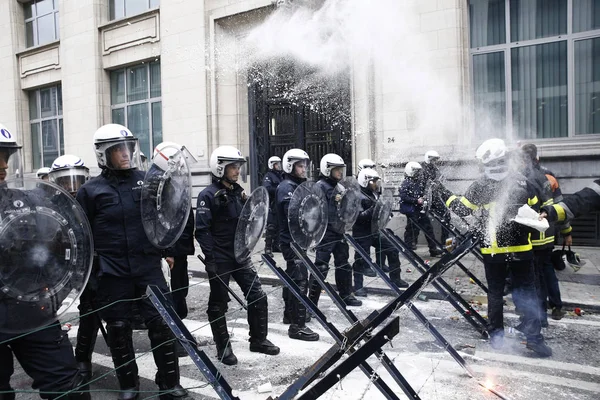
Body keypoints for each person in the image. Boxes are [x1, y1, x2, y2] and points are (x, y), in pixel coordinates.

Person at [76, 124, 188, 399]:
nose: (126, 155)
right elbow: (82, 235)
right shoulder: (91, 191)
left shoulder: (147, 180)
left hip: (147, 265)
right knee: (118, 327)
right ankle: (129, 384)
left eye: (128, 148)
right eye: (118, 150)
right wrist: (88, 275)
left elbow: (163, 215)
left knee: (162, 322)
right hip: (112, 271)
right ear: (104, 154)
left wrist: (169, 248)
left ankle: (169, 383)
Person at [435, 138, 552, 357]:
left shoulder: (482, 185)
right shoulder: (521, 180)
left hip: (494, 251)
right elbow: (538, 208)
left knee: (496, 293)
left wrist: (444, 193)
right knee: (527, 292)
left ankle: (497, 336)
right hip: (522, 250)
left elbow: (461, 209)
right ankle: (534, 339)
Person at [0, 123, 90, 399]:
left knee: (67, 386)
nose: (2, 164)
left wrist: (55, 288)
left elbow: (55, 246)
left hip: (29, 307)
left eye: (6, 155)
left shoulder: (25, 201)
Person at [195, 146, 280, 366]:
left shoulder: (238, 192)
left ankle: (258, 340)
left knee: (258, 295)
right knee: (218, 304)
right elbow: (202, 230)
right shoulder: (207, 196)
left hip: (240, 255)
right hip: (220, 257)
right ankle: (223, 348)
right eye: (233, 167)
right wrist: (210, 259)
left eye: (238, 166)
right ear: (220, 167)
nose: (237, 171)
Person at [47, 155, 100, 382]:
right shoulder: (47, 203)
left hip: (87, 264)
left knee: (91, 310)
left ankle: (82, 358)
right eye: (65, 181)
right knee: (48, 313)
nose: (71, 186)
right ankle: (52, 360)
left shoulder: (89, 200)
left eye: (76, 180)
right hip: (57, 267)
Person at [520, 144, 572, 322]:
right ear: (537, 157)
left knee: (535, 276)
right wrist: (567, 232)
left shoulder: (521, 178)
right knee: (548, 270)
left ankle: (540, 315)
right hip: (548, 233)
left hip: (531, 235)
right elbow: (560, 206)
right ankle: (557, 307)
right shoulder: (549, 176)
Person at [275, 148, 320, 341]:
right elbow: (292, 214)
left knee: (293, 278)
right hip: (291, 241)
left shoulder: (298, 185)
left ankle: (289, 315)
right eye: (300, 166)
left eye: (304, 165)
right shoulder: (286, 187)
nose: (304, 169)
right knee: (300, 280)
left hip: (299, 240)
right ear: (290, 166)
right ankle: (297, 326)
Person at [308, 153, 362, 308]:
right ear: (327, 170)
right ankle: (311, 304)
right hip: (325, 233)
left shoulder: (339, 186)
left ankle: (346, 295)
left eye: (340, 169)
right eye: (336, 169)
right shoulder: (320, 186)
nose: (340, 172)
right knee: (321, 267)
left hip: (339, 231)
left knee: (343, 264)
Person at [352, 168, 407, 297]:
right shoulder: (357, 196)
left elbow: (379, 211)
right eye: (373, 181)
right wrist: (374, 209)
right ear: (365, 181)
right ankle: (358, 286)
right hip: (362, 233)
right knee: (360, 259)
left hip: (375, 231)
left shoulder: (373, 193)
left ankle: (395, 277)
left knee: (392, 248)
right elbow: (358, 217)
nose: (376, 184)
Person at [165, 209, 195, 357]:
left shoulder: (178, 189)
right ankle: (173, 337)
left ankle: (179, 331)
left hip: (181, 251)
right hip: (171, 254)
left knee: (181, 291)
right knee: (173, 295)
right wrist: (168, 252)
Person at [399, 162, 443, 257]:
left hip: (419, 210)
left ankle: (433, 249)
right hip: (412, 211)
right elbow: (403, 196)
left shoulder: (417, 181)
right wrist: (416, 200)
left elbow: (419, 192)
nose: (418, 173)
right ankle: (408, 250)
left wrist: (423, 198)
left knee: (428, 229)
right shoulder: (406, 182)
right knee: (411, 230)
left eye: (418, 171)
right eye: (415, 171)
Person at [420, 150, 451, 245]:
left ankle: (445, 242)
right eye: (433, 160)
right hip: (426, 198)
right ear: (429, 159)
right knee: (420, 223)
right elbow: (421, 184)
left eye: (435, 160)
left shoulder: (434, 168)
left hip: (435, 197)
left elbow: (438, 181)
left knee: (446, 215)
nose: (435, 162)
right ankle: (411, 243)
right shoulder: (422, 169)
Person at [263, 156, 284, 257]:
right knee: (271, 226)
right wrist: (279, 189)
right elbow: (267, 188)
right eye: (276, 164)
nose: (279, 166)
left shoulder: (281, 176)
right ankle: (267, 248)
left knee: (280, 225)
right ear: (271, 165)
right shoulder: (269, 176)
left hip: (279, 203)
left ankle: (277, 245)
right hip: (272, 204)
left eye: (279, 164)